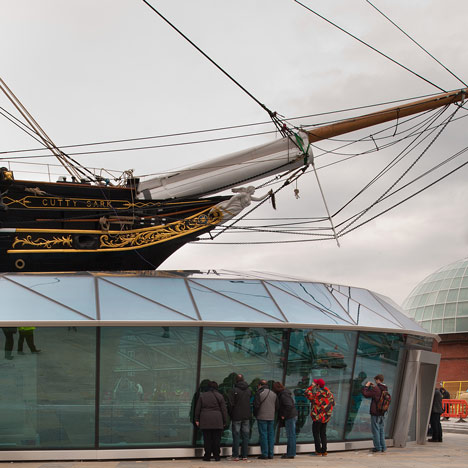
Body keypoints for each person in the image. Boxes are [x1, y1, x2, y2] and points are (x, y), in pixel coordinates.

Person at [195, 381, 228, 462]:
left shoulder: (202, 396)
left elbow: (197, 408)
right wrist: (225, 421)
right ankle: (217, 456)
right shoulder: (220, 396)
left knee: (207, 440)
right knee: (217, 439)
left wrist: (197, 419)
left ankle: (207, 456)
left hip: (205, 420)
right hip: (217, 420)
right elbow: (224, 410)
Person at [305, 378, 335, 457]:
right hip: (326, 417)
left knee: (316, 433)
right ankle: (324, 451)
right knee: (323, 433)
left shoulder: (317, 395)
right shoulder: (329, 394)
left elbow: (307, 393)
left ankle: (318, 451)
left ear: (318, 385)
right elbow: (333, 403)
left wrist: (312, 386)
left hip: (317, 417)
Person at [361, 374, 389, 453]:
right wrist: (374, 387)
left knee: (375, 430)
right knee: (381, 430)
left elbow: (366, 394)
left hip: (376, 412)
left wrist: (366, 386)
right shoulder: (385, 388)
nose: (375, 382)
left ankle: (377, 448)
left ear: (378, 380)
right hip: (382, 412)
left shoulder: (376, 389)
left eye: (375, 380)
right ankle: (383, 447)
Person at [227, 374, 252, 461]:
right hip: (246, 416)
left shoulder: (233, 390)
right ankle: (244, 455)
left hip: (236, 415)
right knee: (245, 435)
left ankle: (236, 455)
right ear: (243, 379)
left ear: (236, 381)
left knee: (236, 436)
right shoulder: (249, 390)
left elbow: (230, 404)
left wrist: (230, 414)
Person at [253, 379, 278, 459]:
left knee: (263, 435)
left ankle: (265, 454)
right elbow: (277, 406)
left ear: (259, 385)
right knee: (271, 435)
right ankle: (271, 454)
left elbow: (256, 405)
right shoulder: (273, 393)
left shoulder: (259, 393)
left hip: (262, 416)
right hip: (271, 417)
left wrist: (255, 415)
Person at [273, 381, 298, 459]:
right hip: (292, 415)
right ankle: (291, 453)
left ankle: (290, 453)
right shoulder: (285, 393)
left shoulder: (283, 395)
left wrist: (283, 415)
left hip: (289, 416)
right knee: (292, 435)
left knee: (291, 435)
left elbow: (288, 405)